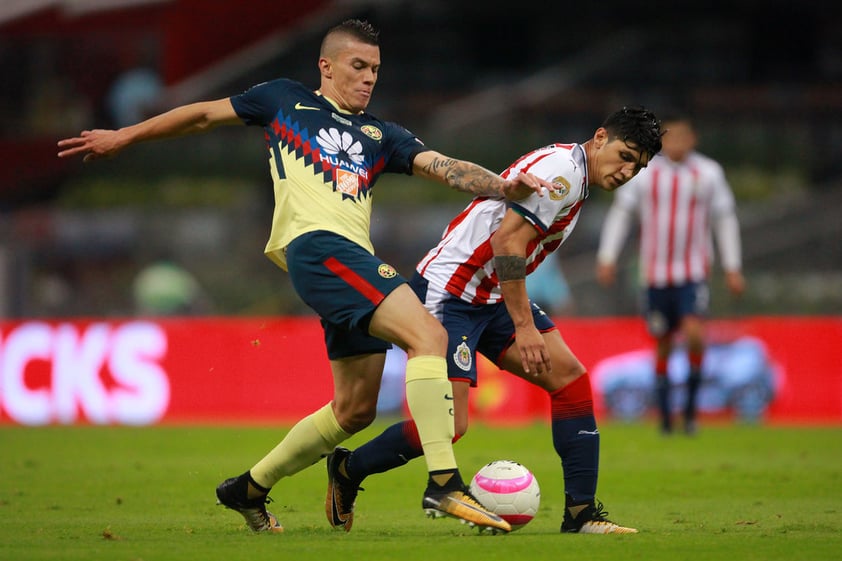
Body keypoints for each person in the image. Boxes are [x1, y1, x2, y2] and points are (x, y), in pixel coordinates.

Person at [57, 19, 553, 534]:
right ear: (327, 65)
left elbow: (443, 166)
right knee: (429, 334)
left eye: (375, 70)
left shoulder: (382, 134)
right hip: (319, 249)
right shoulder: (284, 100)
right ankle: (444, 484)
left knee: (355, 409)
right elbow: (204, 115)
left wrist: (503, 185)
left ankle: (248, 487)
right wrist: (126, 135)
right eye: (358, 67)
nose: (368, 79)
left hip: (348, 261)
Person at [324, 106, 664, 534]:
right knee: (450, 425)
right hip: (451, 291)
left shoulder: (575, 176)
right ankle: (349, 469)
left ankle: (580, 515)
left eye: (638, 165)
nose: (628, 170)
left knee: (570, 381)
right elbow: (508, 241)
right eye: (626, 155)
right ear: (600, 138)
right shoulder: (562, 174)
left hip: (490, 295)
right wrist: (525, 327)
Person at [595, 112, 745, 435]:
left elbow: (725, 219)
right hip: (655, 275)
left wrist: (733, 268)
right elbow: (622, 214)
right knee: (662, 342)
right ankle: (665, 417)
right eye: (671, 137)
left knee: (693, 334)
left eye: (683, 136)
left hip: (693, 273)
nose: (677, 143)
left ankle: (690, 413)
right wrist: (607, 256)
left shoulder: (708, 173)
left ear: (693, 139)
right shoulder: (646, 173)